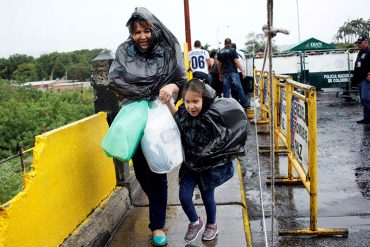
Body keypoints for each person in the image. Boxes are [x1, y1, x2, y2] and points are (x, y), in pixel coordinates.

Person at [108, 7, 187, 246]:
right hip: (135, 115)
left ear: (154, 29)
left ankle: (157, 226)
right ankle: (156, 203)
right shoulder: (124, 51)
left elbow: (181, 80)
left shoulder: (167, 49)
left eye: (146, 30)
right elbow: (116, 80)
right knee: (142, 169)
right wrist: (142, 92)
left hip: (159, 114)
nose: (142, 36)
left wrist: (172, 88)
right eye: (136, 32)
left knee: (158, 169)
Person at [165, 79, 247, 242]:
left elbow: (222, 137)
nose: (191, 106)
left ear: (204, 99)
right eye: (187, 101)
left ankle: (211, 224)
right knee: (184, 195)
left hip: (208, 167)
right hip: (190, 165)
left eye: (196, 101)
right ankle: (195, 221)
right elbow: (178, 118)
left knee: (207, 196)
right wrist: (168, 103)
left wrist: (207, 153)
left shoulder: (212, 115)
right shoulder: (184, 112)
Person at [217, 38, 249, 109]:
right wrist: (242, 70)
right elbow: (236, 62)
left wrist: (220, 73)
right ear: (230, 43)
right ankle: (244, 103)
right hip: (233, 71)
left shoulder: (220, 51)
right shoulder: (232, 50)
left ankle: (227, 105)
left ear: (224, 43)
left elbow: (219, 64)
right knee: (239, 87)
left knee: (226, 89)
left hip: (225, 72)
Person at [353, 34, 370, 124]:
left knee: (366, 98)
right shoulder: (361, 52)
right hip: (360, 79)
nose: (358, 44)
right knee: (363, 100)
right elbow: (358, 64)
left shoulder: (369, 51)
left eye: (360, 43)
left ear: (365, 42)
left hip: (366, 79)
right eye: (358, 43)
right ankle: (367, 118)